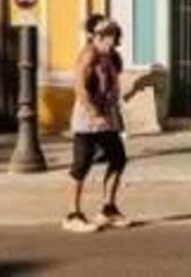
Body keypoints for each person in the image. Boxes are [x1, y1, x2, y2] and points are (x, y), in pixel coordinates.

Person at [64, 18, 129, 232]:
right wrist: (94, 114)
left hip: (107, 118)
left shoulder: (110, 56)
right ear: (99, 37)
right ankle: (73, 215)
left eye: (116, 40)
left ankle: (108, 209)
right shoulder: (89, 54)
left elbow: (111, 83)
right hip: (87, 120)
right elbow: (79, 87)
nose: (114, 44)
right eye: (111, 40)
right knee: (81, 164)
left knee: (118, 159)